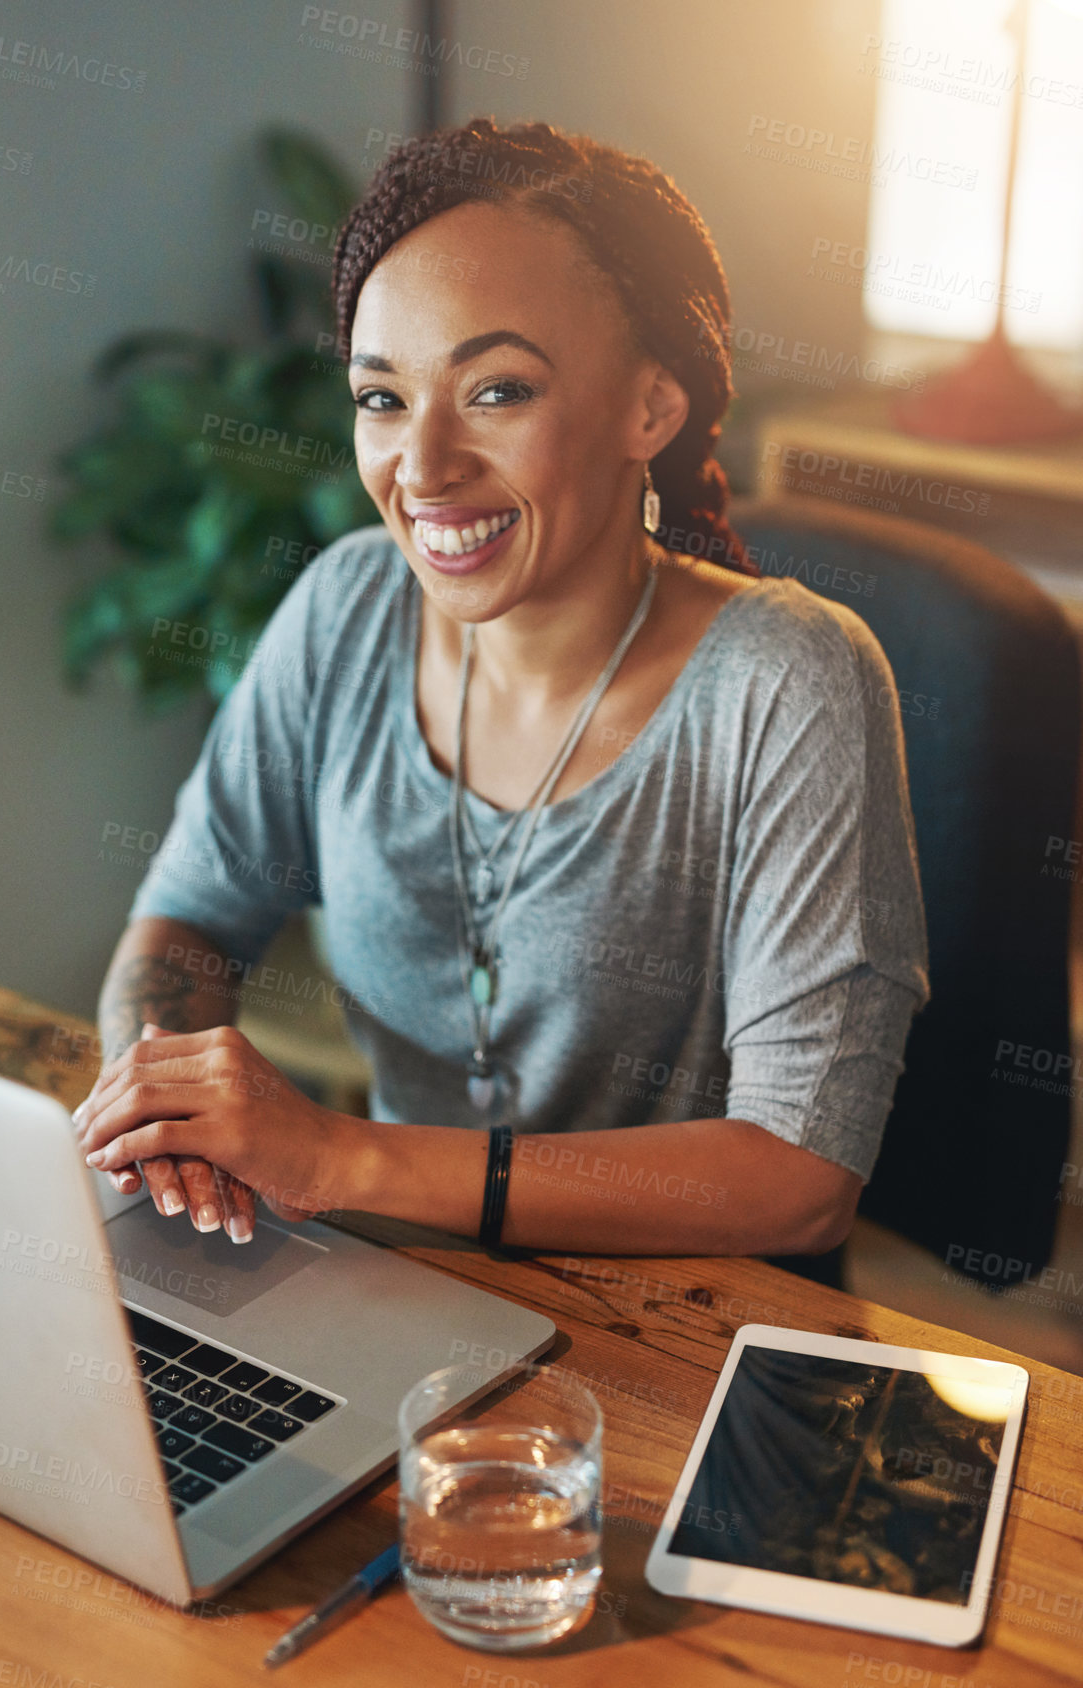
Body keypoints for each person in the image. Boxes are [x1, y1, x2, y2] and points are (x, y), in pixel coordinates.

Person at [74, 118, 930, 1261]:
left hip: (683, 1334)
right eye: (381, 397)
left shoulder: (788, 680)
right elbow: (186, 920)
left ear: (650, 408)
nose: (421, 468)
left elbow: (798, 1172)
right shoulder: (346, 607)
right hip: (393, 1284)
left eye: (496, 390)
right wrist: (163, 1112)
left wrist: (343, 1157)